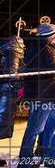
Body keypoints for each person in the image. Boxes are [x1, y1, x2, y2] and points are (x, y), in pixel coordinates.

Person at [18, 23, 55, 168]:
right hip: (44, 95)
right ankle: (25, 162)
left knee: (41, 127)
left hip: (39, 93)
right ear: (50, 35)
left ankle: (39, 157)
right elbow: (53, 70)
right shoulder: (47, 50)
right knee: (34, 130)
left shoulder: (33, 48)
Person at [0, 34, 25, 167]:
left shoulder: (5, 54)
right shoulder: (12, 55)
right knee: (1, 124)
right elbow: (13, 74)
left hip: (4, 92)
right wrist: (18, 87)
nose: (23, 46)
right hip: (6, 94)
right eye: (22, 43)